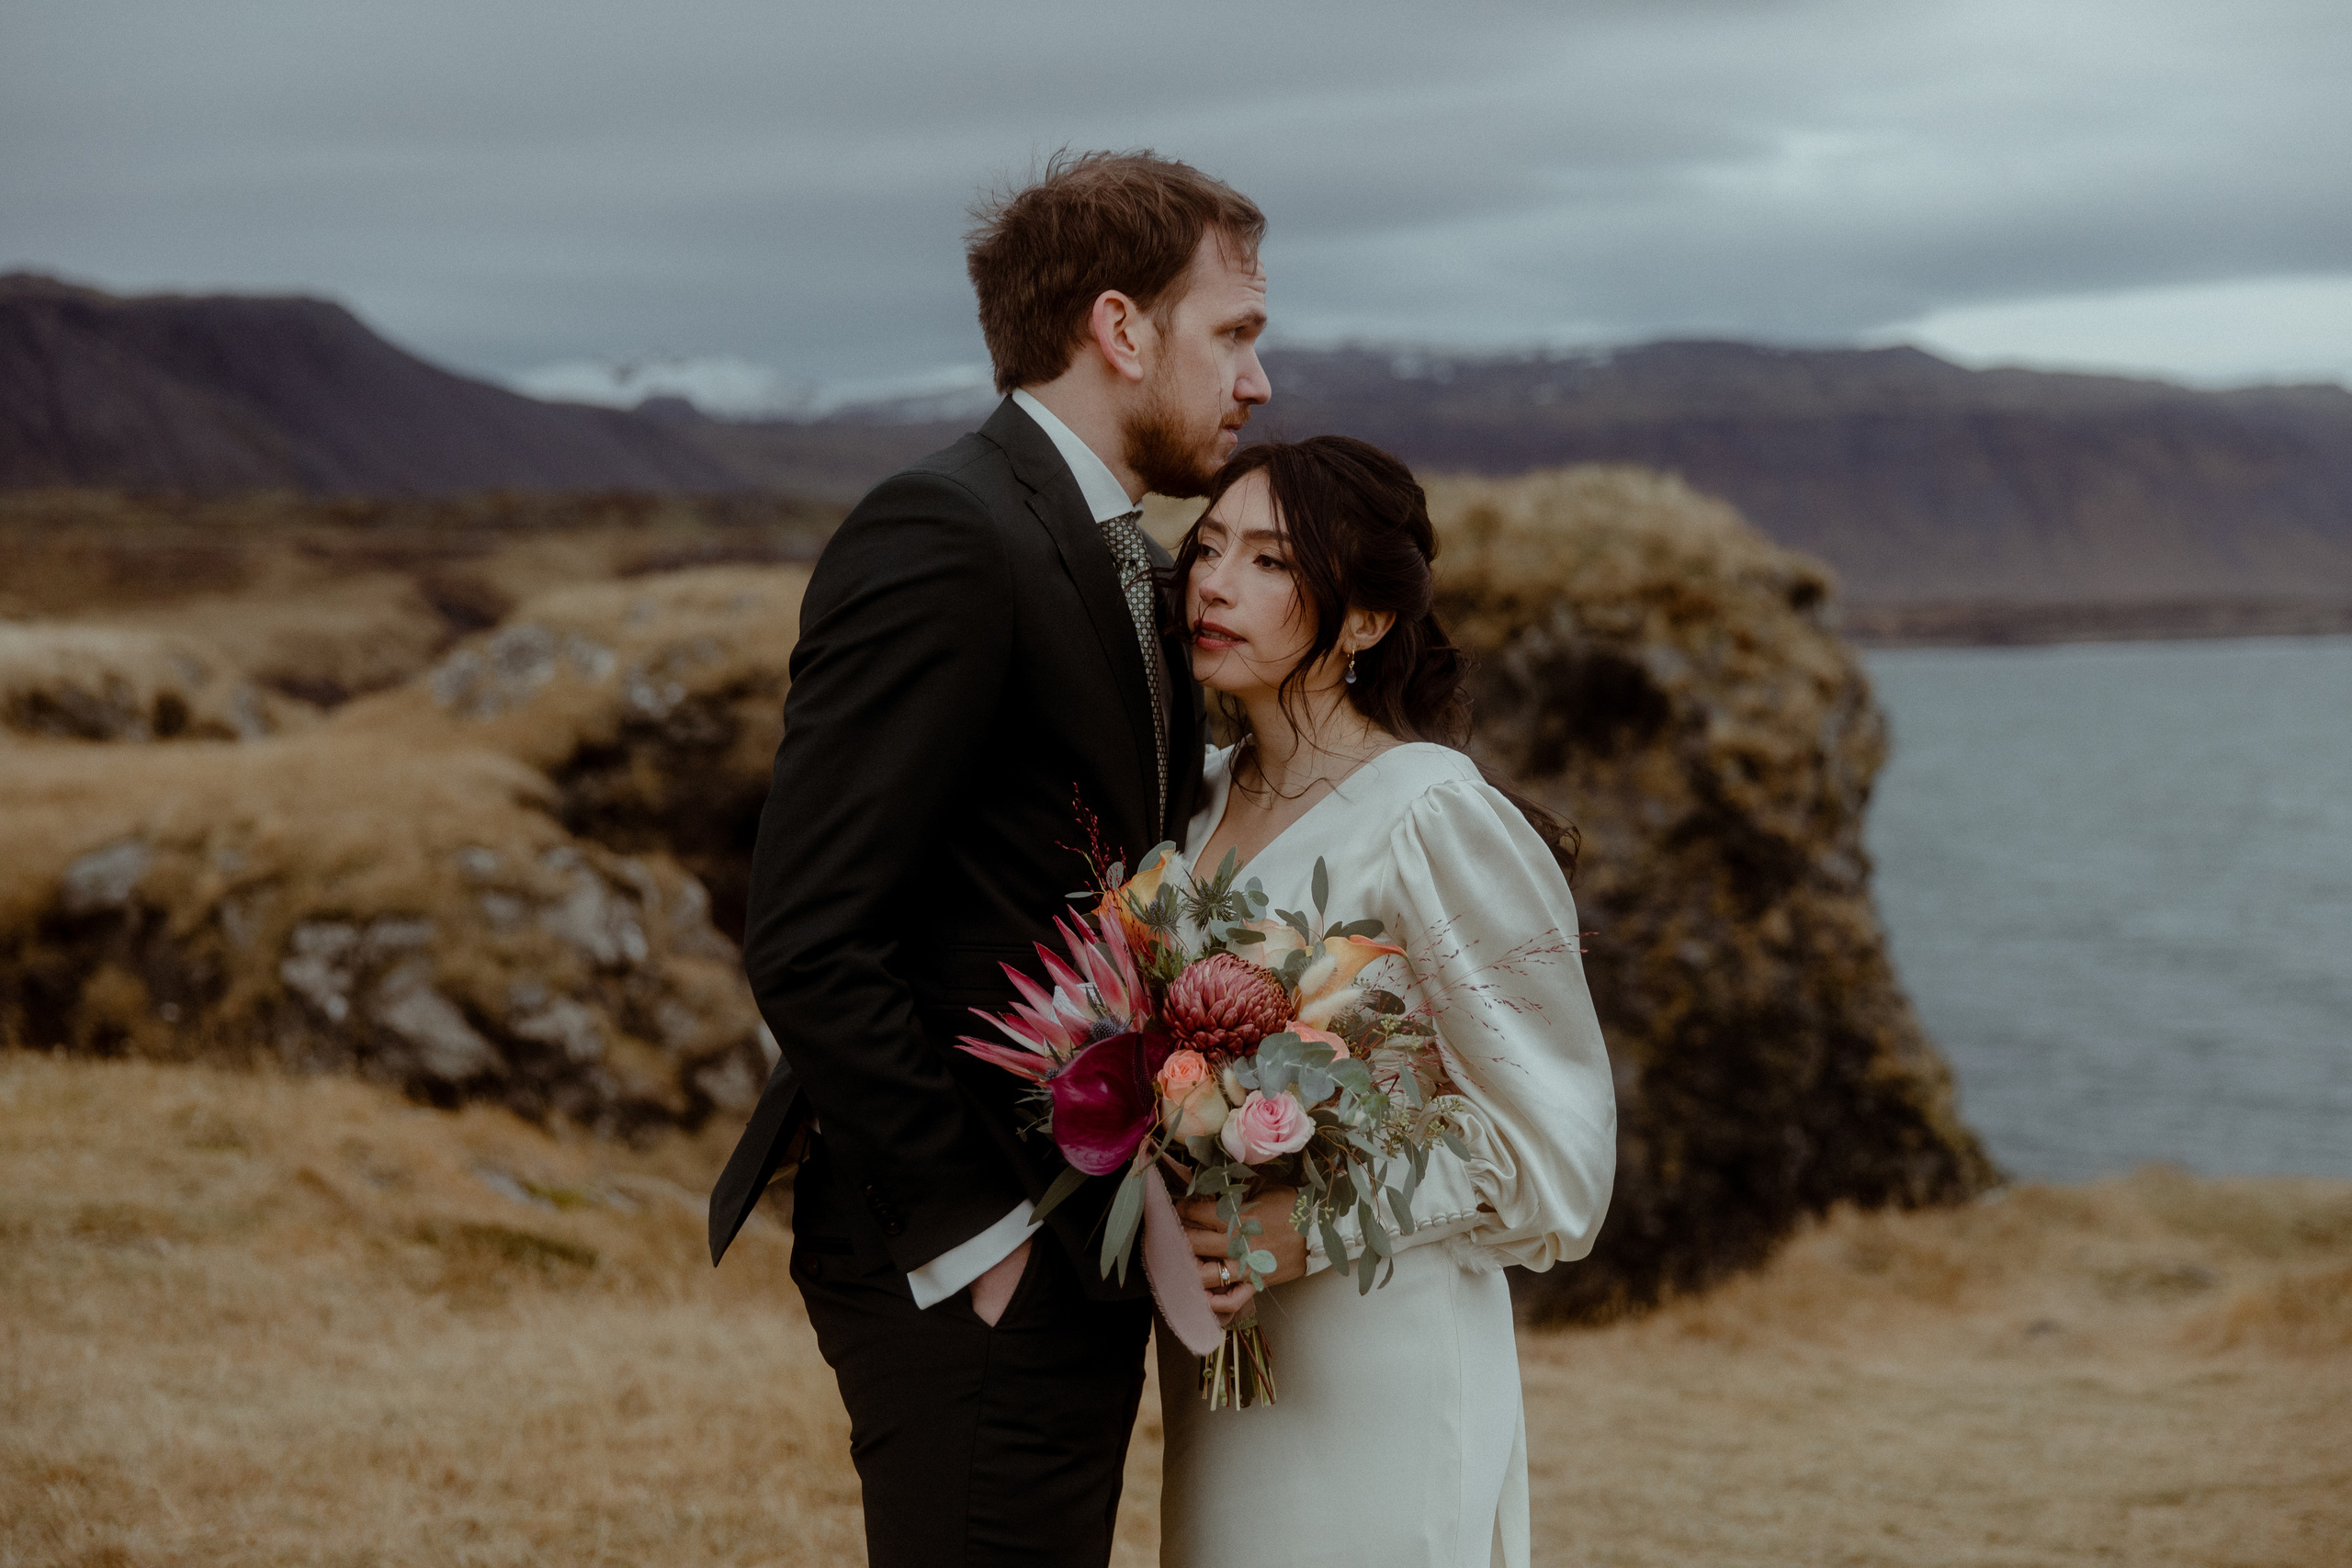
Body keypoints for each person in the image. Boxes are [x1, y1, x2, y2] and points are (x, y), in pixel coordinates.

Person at [704, 151, 1270, 1568]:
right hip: (972, 1254)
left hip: (1079, 1240)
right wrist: (982, 1236)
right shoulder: (945, 532)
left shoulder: (1127, 559)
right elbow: (810, 932)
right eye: (1234, 333)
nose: (1258, 381)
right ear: (1120, 327)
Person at [1158, 436, 1617, 1567]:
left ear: (1364, 621)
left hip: (1381, 1342)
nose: (1214, 583)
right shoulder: (1189, 803)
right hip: (1222, 1348)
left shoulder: (1429, 813)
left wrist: (1311, 1223)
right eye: (1206, 549)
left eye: (1269, 561)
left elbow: (1557, 1159)